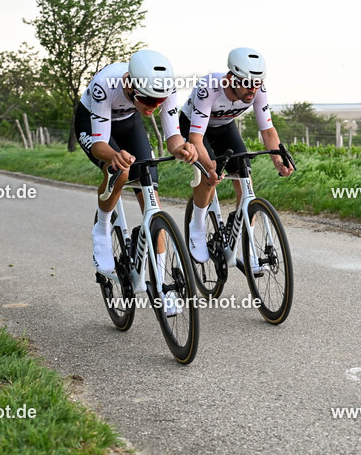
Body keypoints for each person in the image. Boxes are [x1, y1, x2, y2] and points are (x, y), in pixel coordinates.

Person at [74, 49, 197, 315]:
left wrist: (181, 148)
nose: (153, 109)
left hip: (128, 121)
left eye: (159, 102)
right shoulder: (105, 85)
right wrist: (115, 155)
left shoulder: (163, 87)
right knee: (119, 171)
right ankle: (102, 230)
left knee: (149, 186)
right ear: (129, 84)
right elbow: (99, 144)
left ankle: (161, 286)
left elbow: (173, 137)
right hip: (94, 123)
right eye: (148, 101)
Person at [180, 48, 293, 269]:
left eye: (258, 83)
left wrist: (278, 160)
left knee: (245, 181)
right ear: (231, 78)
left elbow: (268, 131)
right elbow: (195, 137)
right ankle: (198, 226)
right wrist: (210, 166)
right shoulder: (209, 88)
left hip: (223, 127)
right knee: (210, 176)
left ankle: (247, 250)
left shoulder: (258, 89)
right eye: (248, 83)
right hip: (194, 128)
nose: (253, 89)